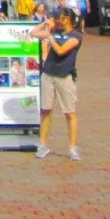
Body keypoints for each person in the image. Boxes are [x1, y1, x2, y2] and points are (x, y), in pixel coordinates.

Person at [30, 9, 82, 160]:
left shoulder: (76, 36)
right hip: (48, 74)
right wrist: (44, 24)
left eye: (62, 18)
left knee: (69, 112)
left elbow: (60, 50)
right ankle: (43, 144)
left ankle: (72, 148)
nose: (59, 21)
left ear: (68, 19)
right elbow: (33, 33)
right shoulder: (55, 30)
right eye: (58, 18)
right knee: (46, 110)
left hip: (65, 76)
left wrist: (49, 37)